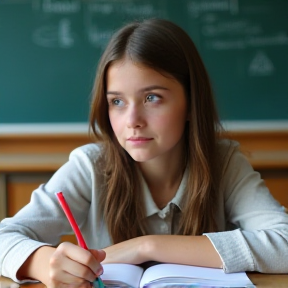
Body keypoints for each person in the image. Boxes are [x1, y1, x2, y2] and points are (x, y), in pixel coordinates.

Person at [1, 18, 288, 288]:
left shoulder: (224, 163)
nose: (132, 120)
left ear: (190, 103)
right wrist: (42, 264)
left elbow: (284, 242)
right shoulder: (91, 166)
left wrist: (145, 246)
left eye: (152, 98)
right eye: (117, 101)